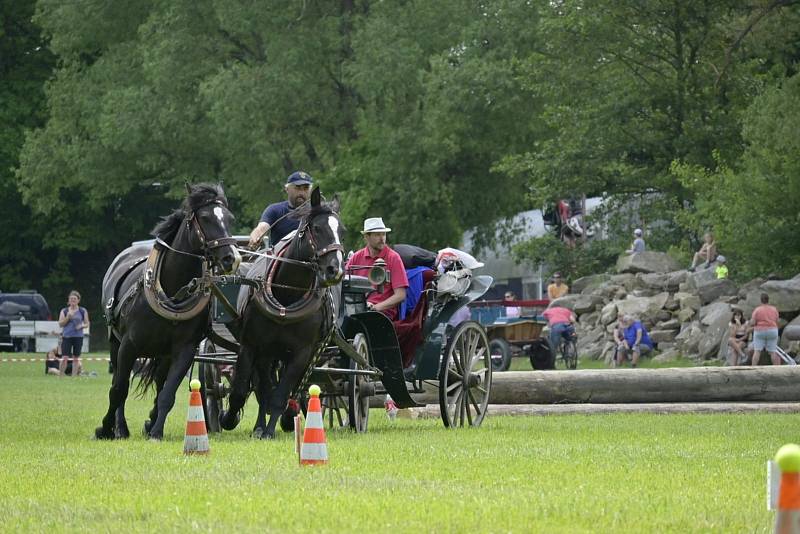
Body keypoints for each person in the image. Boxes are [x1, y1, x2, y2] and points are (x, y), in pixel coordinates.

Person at [345, 217, 409, 321]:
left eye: (383, 234)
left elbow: (401, 295)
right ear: (366, 237)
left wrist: (375, 307)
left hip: (381, 316)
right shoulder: (356, 257)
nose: (382, 238)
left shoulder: (394, 258)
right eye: (377, 235)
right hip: (354, 311)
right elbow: (342, 286)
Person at [247, 171, 314, 249]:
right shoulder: (275, 210)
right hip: (280, 258)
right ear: (287, 189)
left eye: (306, 188)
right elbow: (262, 227)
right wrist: (256, 236)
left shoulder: (317, 211)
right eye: (297, 188)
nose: (302, 192)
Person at [58, 290, 89, 377]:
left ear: (78, 300)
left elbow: (87, 324)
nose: (73, 301)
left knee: (76, 358)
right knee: (64, 358)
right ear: (68, 300)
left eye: (74, 299)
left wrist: (81, 326)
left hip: (78, 337)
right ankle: (61, 376)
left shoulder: (83, 311)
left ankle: (74, 376)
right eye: (71, 299)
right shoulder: (64, 311)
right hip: (66, 337)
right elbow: (60, 324)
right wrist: (68, 317)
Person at [750, 293, 780, 366]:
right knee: (773, 351)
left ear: (761, 300)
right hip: (772, 330)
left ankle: (753, 369)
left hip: (760, 331)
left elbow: (752, 322)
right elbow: (777, 321)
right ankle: (777, 370)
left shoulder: (757, 310)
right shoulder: (774, 309)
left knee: (757, 351)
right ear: (768, 300)